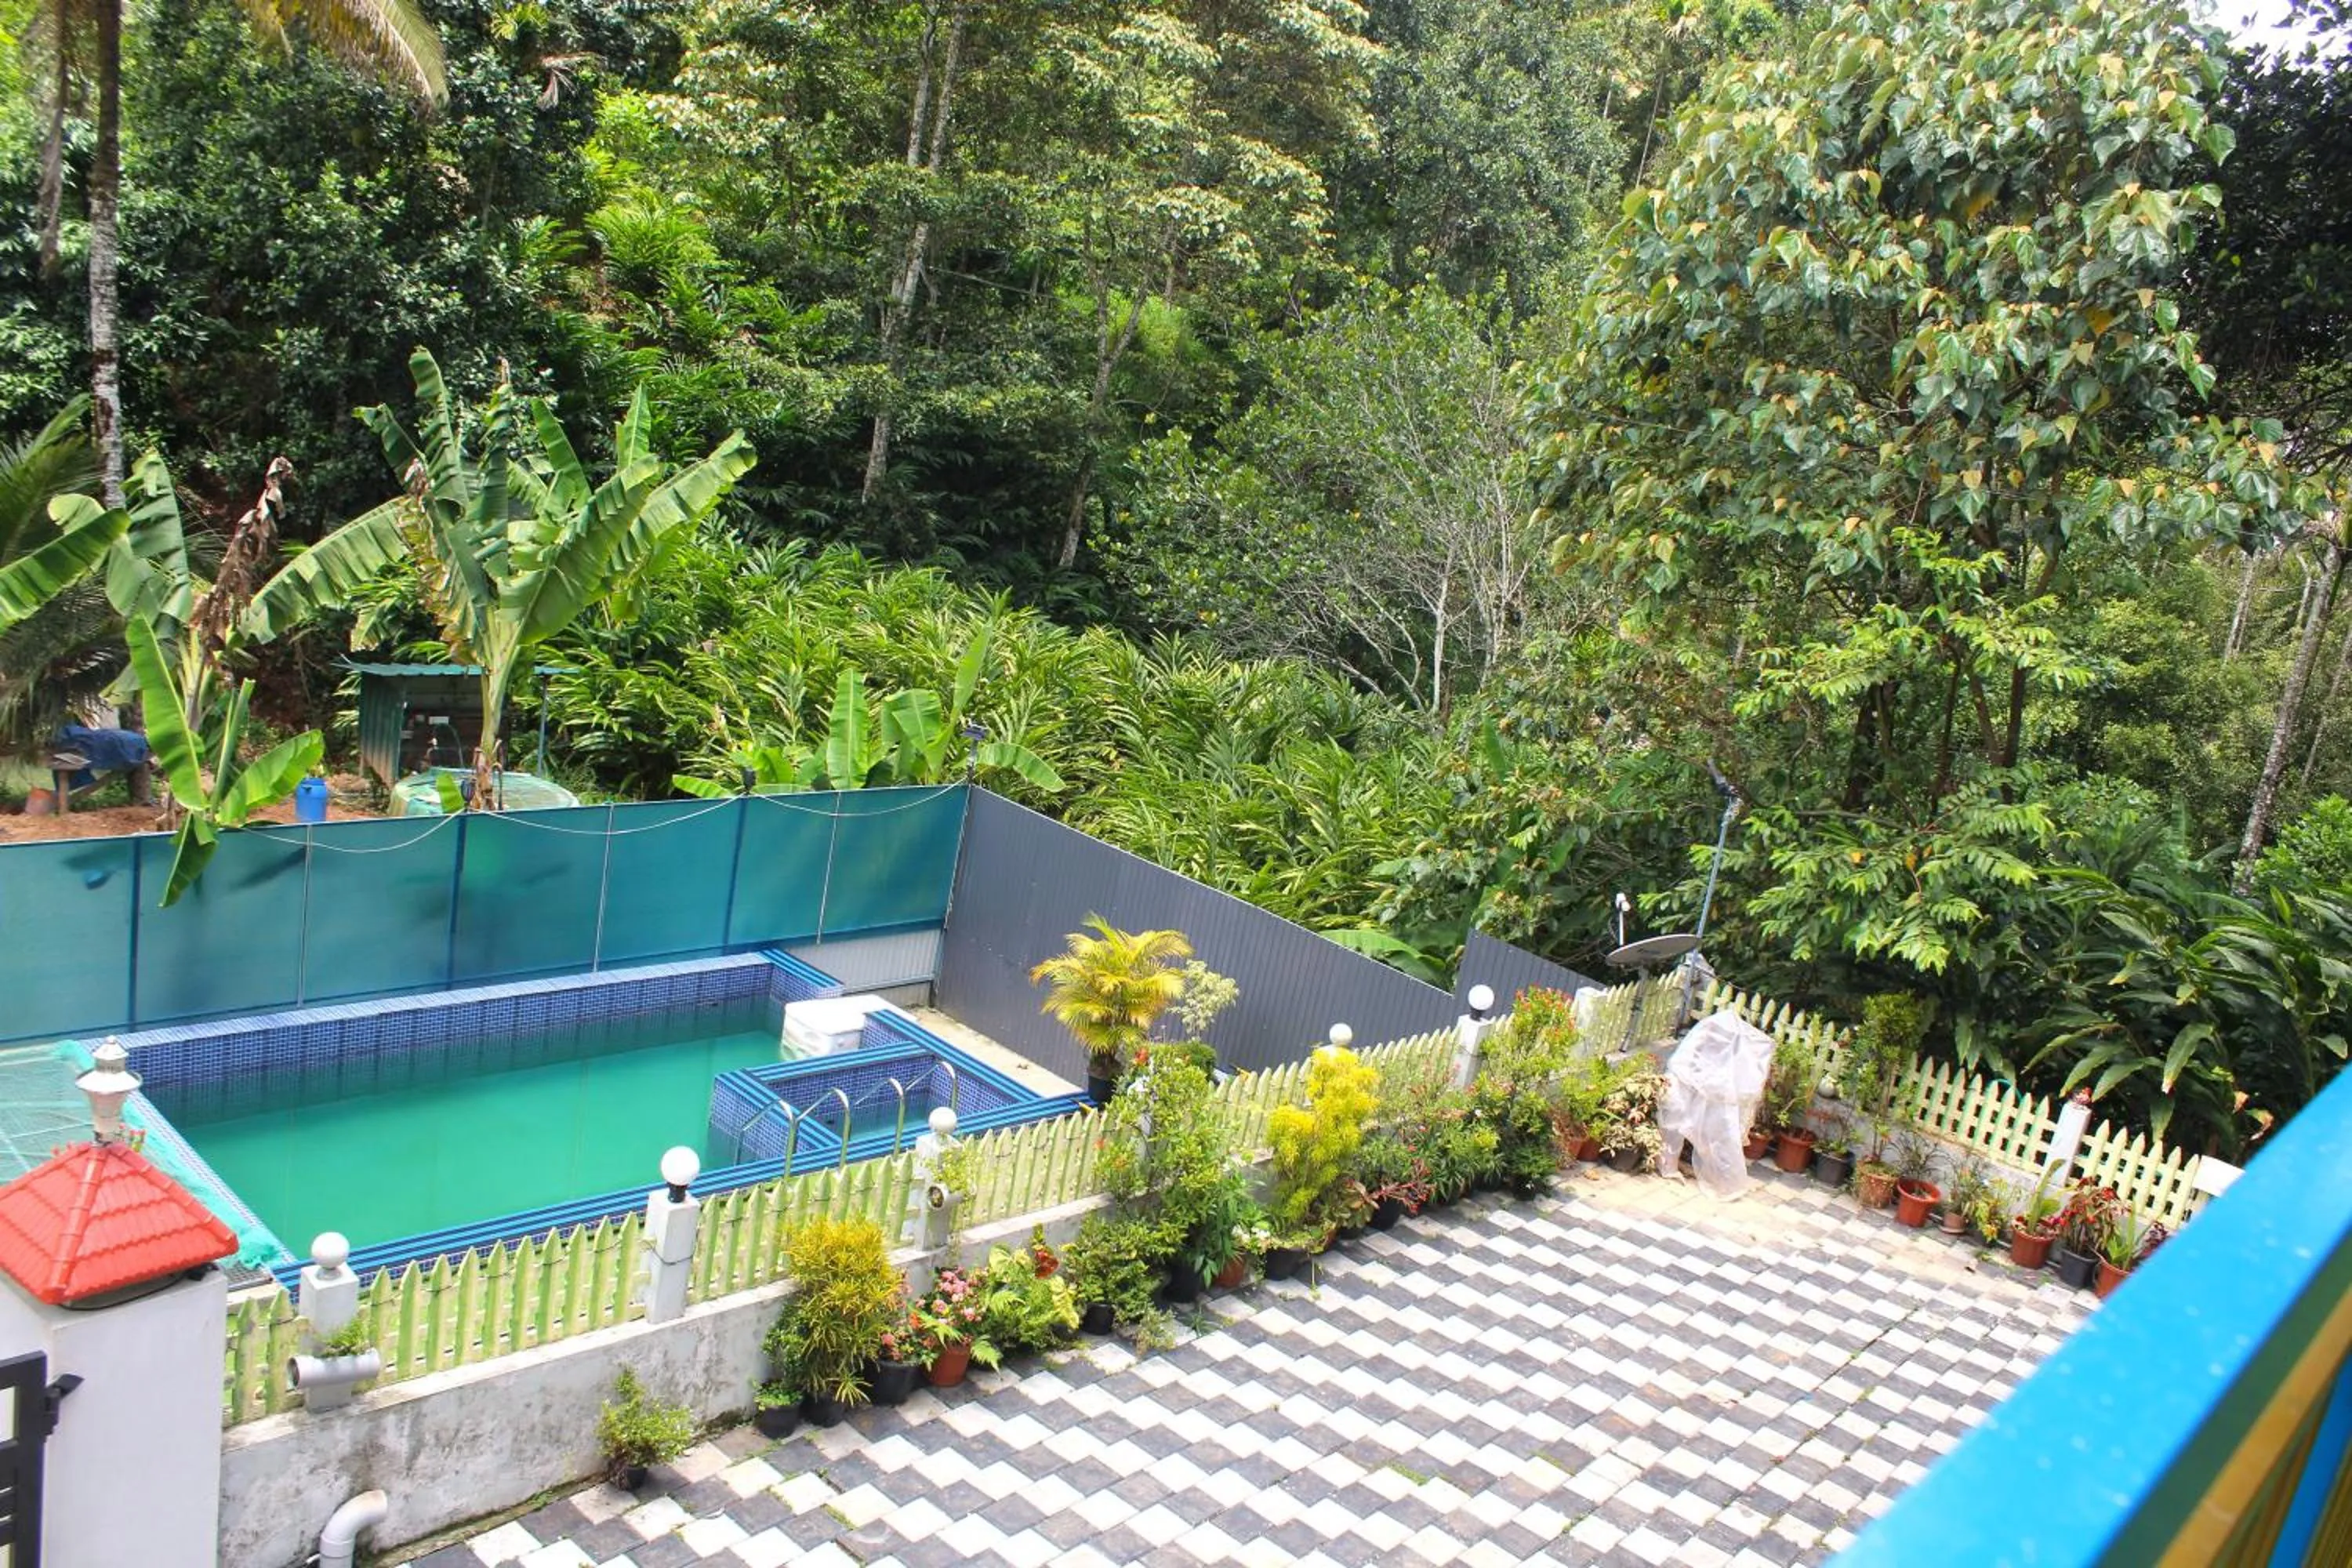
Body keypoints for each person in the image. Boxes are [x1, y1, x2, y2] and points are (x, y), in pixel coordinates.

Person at [49, 723, 156, 808]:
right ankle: (61, 804)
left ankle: (61, 803)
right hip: (97, 743)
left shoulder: (135, 741)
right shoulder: (138, 746)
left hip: (94, 740)